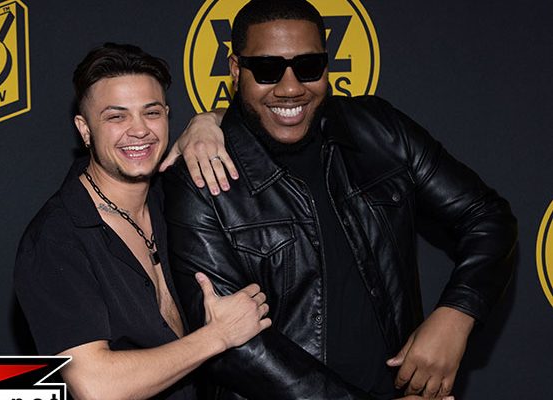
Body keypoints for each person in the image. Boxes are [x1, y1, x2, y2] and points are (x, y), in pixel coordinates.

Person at [162, 1, 517, 399]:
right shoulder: (198, 178)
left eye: (309, 66)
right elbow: (235, 348)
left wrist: (457, 314)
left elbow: (487, 218)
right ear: (234, 69)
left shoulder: (381, 131)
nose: (291, 87)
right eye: (266, 69)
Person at [14, 43, 271, 400]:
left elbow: (265, 119)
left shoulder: (176, 195)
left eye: (151, 113)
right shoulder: (56, 239)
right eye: (116, 117)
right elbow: (95, 386)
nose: (139, 130)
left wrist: (205, 122)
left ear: (167, 115)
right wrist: (218, 335)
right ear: (85, 130)